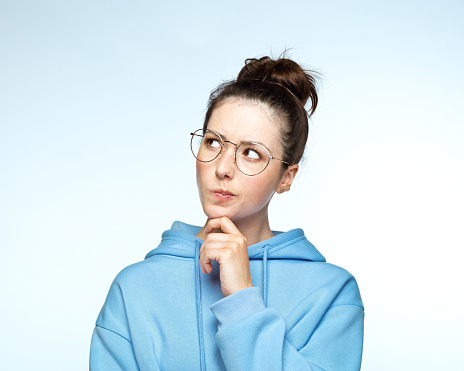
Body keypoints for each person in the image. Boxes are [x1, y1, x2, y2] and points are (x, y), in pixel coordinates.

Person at [90, 55, 364, 371]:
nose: (222, 168)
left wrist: (242, 302)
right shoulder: (134, 288)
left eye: (251, 153)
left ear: (286, 177)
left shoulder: (331, 293)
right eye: (213, 143)